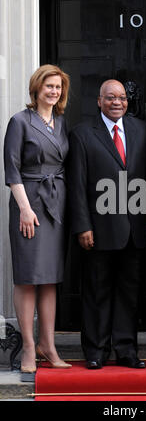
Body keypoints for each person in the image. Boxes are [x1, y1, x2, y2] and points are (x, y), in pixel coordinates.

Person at [68, 79, 146, 369]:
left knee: (129, 294)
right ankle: (96, 351)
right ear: (99, 101)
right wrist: (82, 226)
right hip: (98, 229)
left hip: (135, 228)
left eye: (122, 98)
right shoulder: (82, 133)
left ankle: (126, 350)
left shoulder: (142, 130)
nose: (117, 102)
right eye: (110, 98)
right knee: (96, 292)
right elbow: (77, 184)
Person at [3, 64, 72, 373]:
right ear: (37, 88)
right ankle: (29, 348)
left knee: (49, 278)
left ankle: (48, 345)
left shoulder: (60, 123)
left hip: (56, 202)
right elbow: (12, 168)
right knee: (28, 276)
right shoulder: (20, 121)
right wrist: (25, 208)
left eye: (58, 87)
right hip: (28, 202)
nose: (53, 91)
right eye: (49, 86)